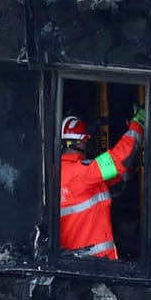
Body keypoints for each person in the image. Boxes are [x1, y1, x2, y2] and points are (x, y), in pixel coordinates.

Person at [58, 108, 145, 259]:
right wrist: (137, 125)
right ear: (81, 141)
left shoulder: (60, 172)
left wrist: (129, 171)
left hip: (76, 263)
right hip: (95, 264)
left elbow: (108, 177)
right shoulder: (82, 172)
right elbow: (119, 159)